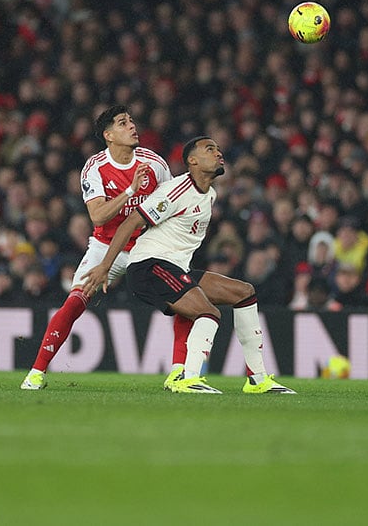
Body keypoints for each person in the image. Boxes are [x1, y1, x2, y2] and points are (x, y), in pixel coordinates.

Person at [82, 136, 295, 395]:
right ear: (192, 161)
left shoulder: (210, 195)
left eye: (217, 148)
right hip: (149, 266)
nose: (218, 153)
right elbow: (130, 223)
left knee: (245, 292)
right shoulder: (175, 191)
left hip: (174, 268)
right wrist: (105, 265)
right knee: (209, 313)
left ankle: (257, 379)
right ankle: (188, 377)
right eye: (209, 149)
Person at [21, 105, 172, 390]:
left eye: (131, 121)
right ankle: (36, 373)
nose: (131, 126)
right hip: (106, 248)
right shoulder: (96, 167)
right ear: (108, 135)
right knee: (75, 302)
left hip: (147, 247)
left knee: (182, 300)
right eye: (123, 123)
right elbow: (98, 216)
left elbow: (173, 203)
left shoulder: (155, 164)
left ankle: (180, 373)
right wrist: (130, 191)